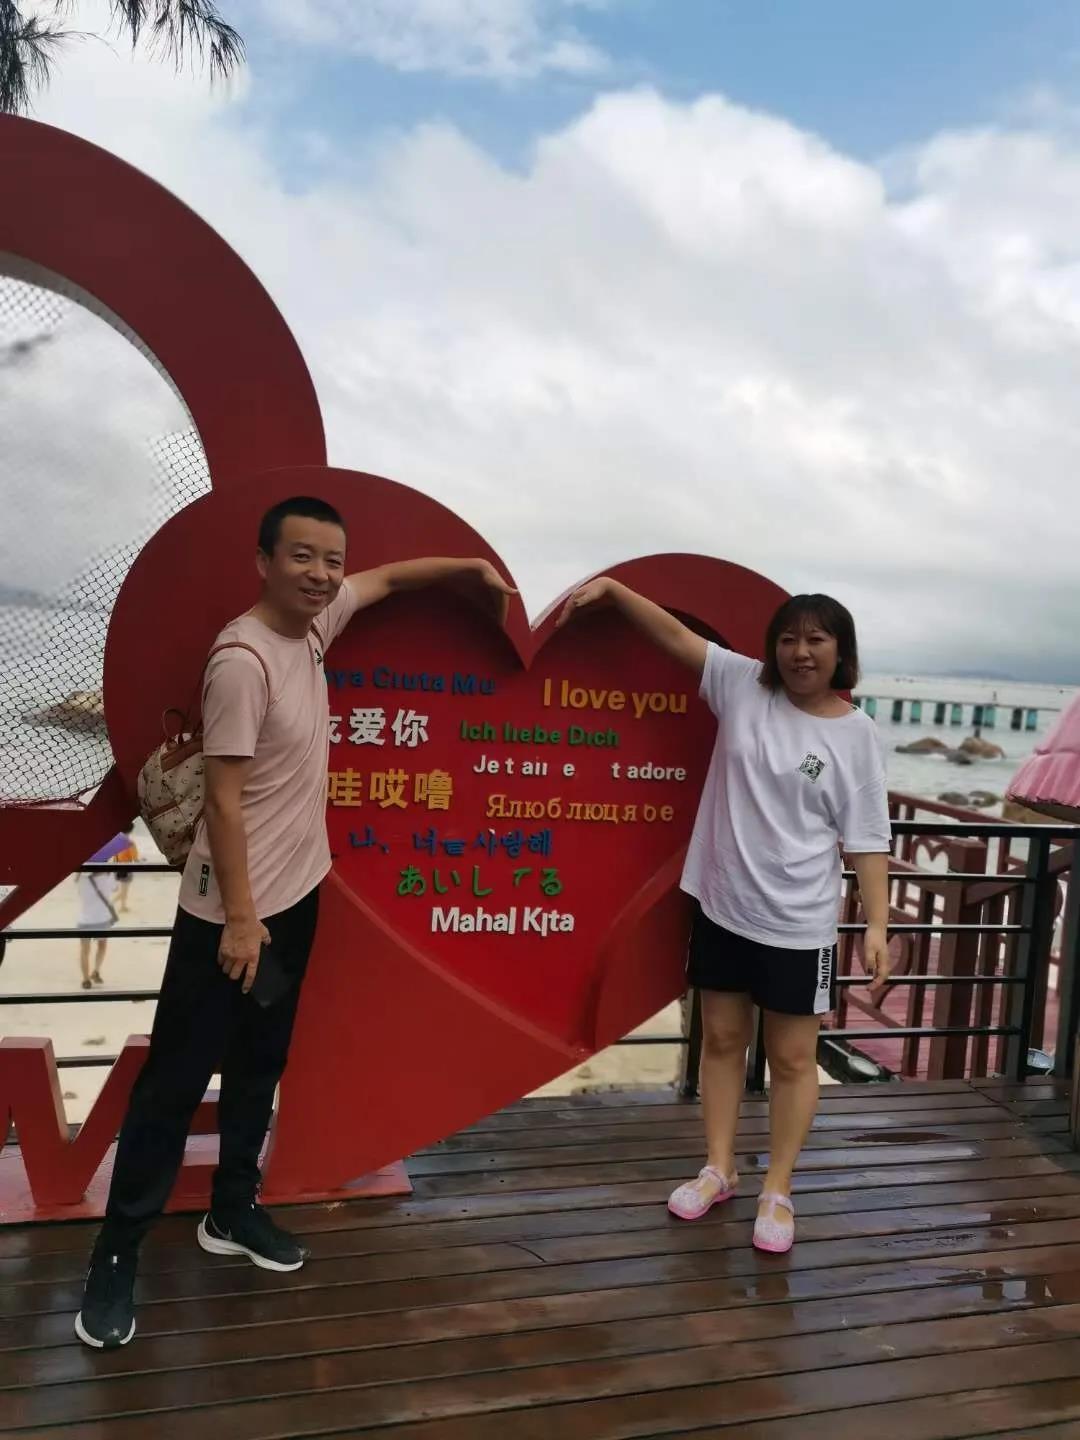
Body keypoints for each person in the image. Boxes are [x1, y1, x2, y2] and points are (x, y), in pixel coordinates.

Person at [75, 496, 514, 1350]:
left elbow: (388, 582)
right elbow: (223, 802)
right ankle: (115, 1255)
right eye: (301, 557)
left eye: (330, 560)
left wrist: (466, 572)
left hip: (295, 898)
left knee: (259, 1063)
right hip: (228, 916)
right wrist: (242, 923)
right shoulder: (243, 661)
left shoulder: (318, 623)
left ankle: (231, 1211)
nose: (320, 574)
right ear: (264, 562)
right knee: (173, 1085)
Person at [560, 579, 892, 1254]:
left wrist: (879, 925)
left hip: (800, 922)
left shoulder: (857, 735)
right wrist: (616, 593)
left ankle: (778, 1188)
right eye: (789, 639)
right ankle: (719, 1168)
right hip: (724, 905)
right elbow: (674, 636)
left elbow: (866, 838)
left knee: (792, 1058)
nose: (801, 652)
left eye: (817, 640)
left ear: (841, 652)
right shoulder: (742, 686)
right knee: (719, 1041)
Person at [76, 868, 117, 988]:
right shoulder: (109, 875)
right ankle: (96, 971)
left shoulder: (81, 877)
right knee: (102, 946)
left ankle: (85, 979)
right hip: (102, 918)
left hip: (85, 919)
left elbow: (81, 893)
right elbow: (115, 888)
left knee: (84, 950)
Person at [113, 834, 139, 914]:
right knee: (124, 890)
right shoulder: (130, 843)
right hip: (126, 869)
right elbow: (135, 859)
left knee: (124, 890)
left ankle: (122, 906)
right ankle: (110, 903)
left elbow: (115, 857)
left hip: (118, 868)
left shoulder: (117, 843)